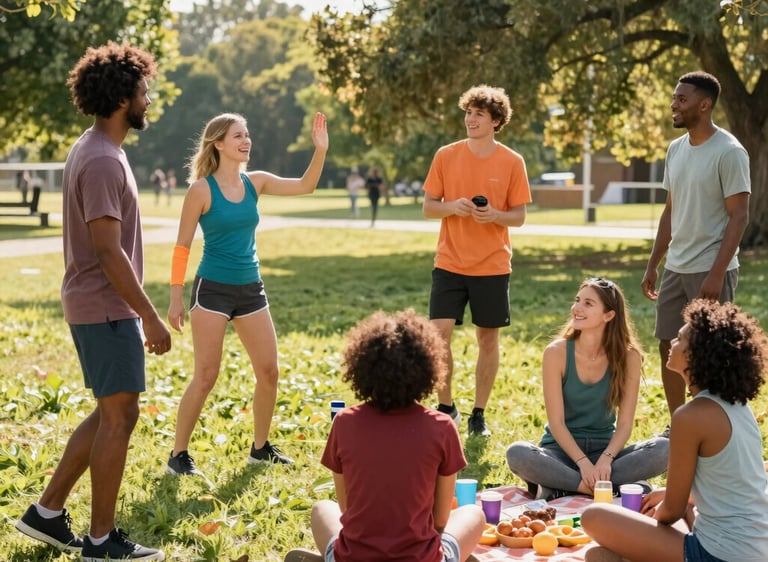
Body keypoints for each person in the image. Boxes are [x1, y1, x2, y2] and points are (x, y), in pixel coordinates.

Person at [14, 43, 170, 561]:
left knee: (112, 413)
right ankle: (101, 542)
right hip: (105, 305)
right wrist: (149, 315)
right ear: (125, 95)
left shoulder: (97, 147)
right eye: (145, 89)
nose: (149, 98)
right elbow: (107, 251)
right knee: (121, 417)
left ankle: (47, 513)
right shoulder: (103, 159)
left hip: (97, 304)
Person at [165, 111, 328, 477]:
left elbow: (306, 186)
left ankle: (260, 448)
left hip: (250, 287)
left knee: (269, 371)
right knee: (206, 375)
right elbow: (181, 246)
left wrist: (320, 150)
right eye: (238, 135)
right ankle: (178, 454)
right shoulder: (201, 190)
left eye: (247, 134)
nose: (246, 141)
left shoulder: (257, 182)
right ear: (218, 143)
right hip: (213, 290)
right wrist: (176, 297)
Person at [283, 309, 486, 562]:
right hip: (421, 557)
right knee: (472, 514)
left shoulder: (344, 422)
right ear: (428, 369)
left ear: (361, 367)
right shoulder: (442, 426)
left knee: (322, 509)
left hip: (355, 556)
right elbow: (441, 520)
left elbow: (347, 511)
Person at [581, 299, 768, 562]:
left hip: (720, 554)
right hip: (757, 548)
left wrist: (644, 524)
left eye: (679, 339)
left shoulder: (690, 416)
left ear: (697, 354)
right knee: (599, 555)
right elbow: (731, 483)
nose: (672, 343)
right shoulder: (739, 406)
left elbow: (671, 510)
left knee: (594, 516)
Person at [641, 71, 750, 431]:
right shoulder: (676, 149)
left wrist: (717, 273)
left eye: (682, 99)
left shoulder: (730, 152)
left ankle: (716, 422)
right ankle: (679, 422)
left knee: (712, 351)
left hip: (711, 267)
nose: (674, 104)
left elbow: (739, 217)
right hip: (677, 267)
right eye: (674, 97)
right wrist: (654, 263)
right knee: (667, 347)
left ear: (705, 105)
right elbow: (671, 210)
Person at [422, 84, 531, 436]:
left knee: (488, 340)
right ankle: (446, 407)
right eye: (468, 113)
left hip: (492, 266)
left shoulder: (512, 161)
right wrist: (451, 207)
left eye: (478, 115)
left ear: (496, 120)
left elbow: (519, 216)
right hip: (449, 262)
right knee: (438, 338)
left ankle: (478, 415)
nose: (470, 119)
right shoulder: (446, 155)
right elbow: (428, 207)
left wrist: (494, 216)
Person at [505, 277, 669, 501]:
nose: (576, 308)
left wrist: (605, 460)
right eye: (577, 300)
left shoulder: (630, 356)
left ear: (609, 315)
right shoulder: (556, 353)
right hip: (561, 452)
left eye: (588, 304)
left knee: (664, 448)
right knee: (518, 453)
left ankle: (561, 487)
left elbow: (624, 425)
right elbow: (557, 424)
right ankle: (598, 488)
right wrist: (583, 464)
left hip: (606, 453)